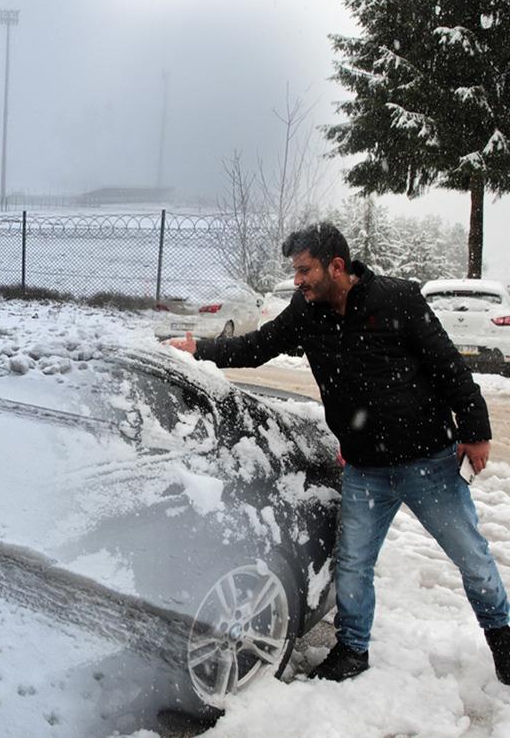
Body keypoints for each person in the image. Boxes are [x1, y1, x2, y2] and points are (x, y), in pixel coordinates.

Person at [168, 222, 510, 684]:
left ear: (336, 265)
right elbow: (258, 346)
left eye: (305, 270)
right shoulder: (306, 313)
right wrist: (201, 349)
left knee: (471, 557)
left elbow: (449, 368)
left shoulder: (397, 300)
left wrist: (475, 431)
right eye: (295, 271)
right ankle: (352, 650)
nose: (298, 280)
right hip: (365, 468)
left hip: (426, 461)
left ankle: (503, 644)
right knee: (352, 563)